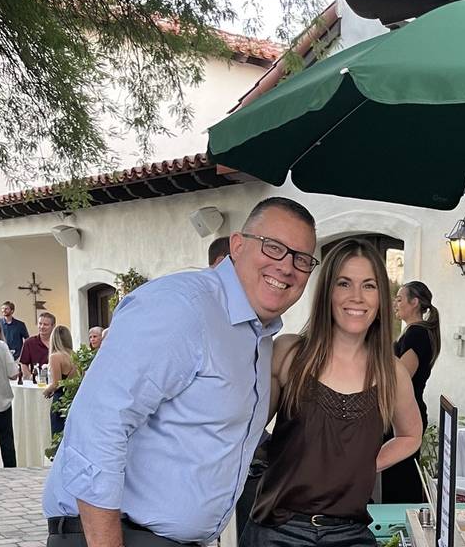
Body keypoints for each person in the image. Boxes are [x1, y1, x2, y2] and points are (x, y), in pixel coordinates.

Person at [42, 196, 318, 547]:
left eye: (302, 259)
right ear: (237, 244)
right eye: (274, 247)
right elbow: (98, 423)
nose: (287, 266)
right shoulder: (183, 307)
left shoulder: (256, 335)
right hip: (117, 535)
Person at [241, 238, 422, 547]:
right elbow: (243, 425)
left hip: (350, 533)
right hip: (277, 530)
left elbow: (411, 436)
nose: (356, 297)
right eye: (343, 283)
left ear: (381, 298)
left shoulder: (392, 372)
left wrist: (365, 463)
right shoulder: (288, 354)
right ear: (327, 292)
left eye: (369, 286)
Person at [381, 280, 442, 502]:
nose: (395, 303)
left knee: (400, 475)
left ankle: (403, 524)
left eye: (399, 298)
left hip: (406, 412)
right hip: (406, 410)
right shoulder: (417, 333)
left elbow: (401, 375)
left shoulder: (417, 334)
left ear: (414, 302)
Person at [0, 317, 19, 468]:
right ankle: (11, 472)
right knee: (6, 440)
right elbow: (13, 373)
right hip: (0, 400)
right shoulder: (0, 346)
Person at [44, 325, 78, 434]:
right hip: (73, 398)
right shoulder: (74, 355)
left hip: (60, 399)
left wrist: (47, 390)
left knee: (57, 434)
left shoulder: (55, 357)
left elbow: (56, 383)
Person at [20, 312, 55, 379]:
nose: (42, 327)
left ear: (53, 326)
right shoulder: (29, 342)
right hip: (37, 383)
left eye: (46, 324)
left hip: (56, 383)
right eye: (40, 324)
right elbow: (23, 363)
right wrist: (30, 378)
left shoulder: (59, 342)